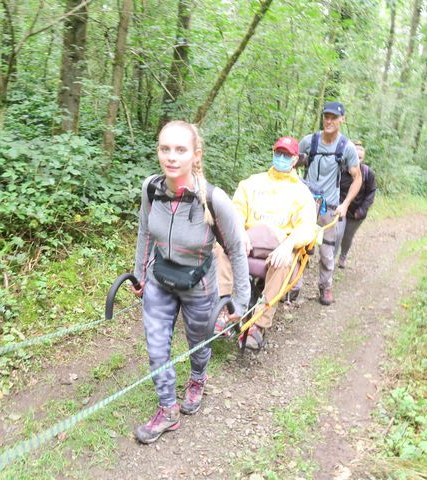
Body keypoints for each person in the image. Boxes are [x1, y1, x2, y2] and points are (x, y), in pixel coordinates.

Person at [131, 121, 250, 444]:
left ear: (195, 155)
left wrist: (240, 300)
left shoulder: (213, 199)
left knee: (199, 343)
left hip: (199, 285)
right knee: (156, 347)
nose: (171, 157)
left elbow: (236, 251)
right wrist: (139, 274)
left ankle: (198, 378)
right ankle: (168, 409)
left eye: (180, 150)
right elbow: (144, 232)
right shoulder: (151, 189)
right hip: (160, 279)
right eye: (164, 148)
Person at [215, 136, 317, 350]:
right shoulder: (252, 183)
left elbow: (307, 226)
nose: (281, 158)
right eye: (278, 153)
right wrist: (238, 233)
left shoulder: (301, 193)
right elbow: (236, 210)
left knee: (284, 262)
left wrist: (289, 245)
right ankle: (223, 310)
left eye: (286, 155)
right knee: (221, 247)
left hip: (279, 246)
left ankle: (258, 325)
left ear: (294, 159)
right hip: (249, 241)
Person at [299, 101, 362, 305]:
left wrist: (345, 205)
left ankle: (325, 287)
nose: (329, 120)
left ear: (342, 119)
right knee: (299, 246)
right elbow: (295, 161)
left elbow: (357, 178)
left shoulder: (347, 148)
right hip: (306, 204)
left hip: (331, 207)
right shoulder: (309, 142)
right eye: (326, 116)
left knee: (327, 251)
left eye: (334, 117)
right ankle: (293, 287)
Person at [335, 140, 376, 268]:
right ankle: (330, 258)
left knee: (347, 236)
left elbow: (371, 193)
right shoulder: (341, 169)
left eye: (361, 152)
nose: (358, 154)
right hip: (340, 208)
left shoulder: (368, 173)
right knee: (336, 234)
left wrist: (362, 210)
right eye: (355, 151)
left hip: (357, 212)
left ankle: (343, 256)